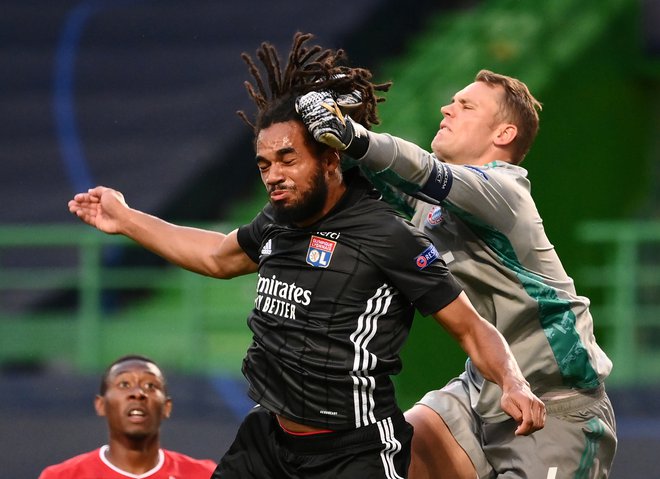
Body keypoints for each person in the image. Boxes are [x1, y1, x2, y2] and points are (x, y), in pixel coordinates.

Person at [68, 33, 545, 479]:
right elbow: (216, 256)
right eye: (264, 164)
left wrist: (512, 382)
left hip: (354, 451)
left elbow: (469, 325)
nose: (273, 175)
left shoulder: (388, 235)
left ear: (331, 160)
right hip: (269, 439)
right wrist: (126, 218)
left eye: (288, 159)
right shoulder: (279, 217)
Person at [296, 69, 617, 478]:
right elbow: (374, 177)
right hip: (480, 393)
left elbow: (419, 169)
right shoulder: (433, 205)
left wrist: (352, 134)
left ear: (502, 134)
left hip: (557, 409)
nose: (447, 108)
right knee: (380, 462)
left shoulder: (505, 193)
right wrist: (309, 124)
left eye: (466, 105)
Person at [37, 354, 217, 479]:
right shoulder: (61, 476)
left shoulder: (205, 474)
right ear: (101, 405)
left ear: (166, 407)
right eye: (124, 384)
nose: (138, 393)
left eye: (150, 386)